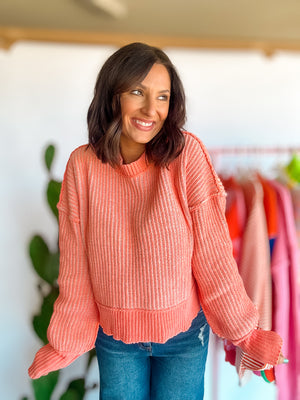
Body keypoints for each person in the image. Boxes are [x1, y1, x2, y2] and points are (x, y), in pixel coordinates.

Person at [28, 42, 286, 399]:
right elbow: (76, 264)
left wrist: (247, 334)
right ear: (112, 94)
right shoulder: (82, 167)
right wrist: (64, 342)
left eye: (163, 97)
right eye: (138, 92)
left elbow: (214, 258)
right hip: (116, 338)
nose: (152, 108)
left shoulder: (186, 156)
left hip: (185, 337)